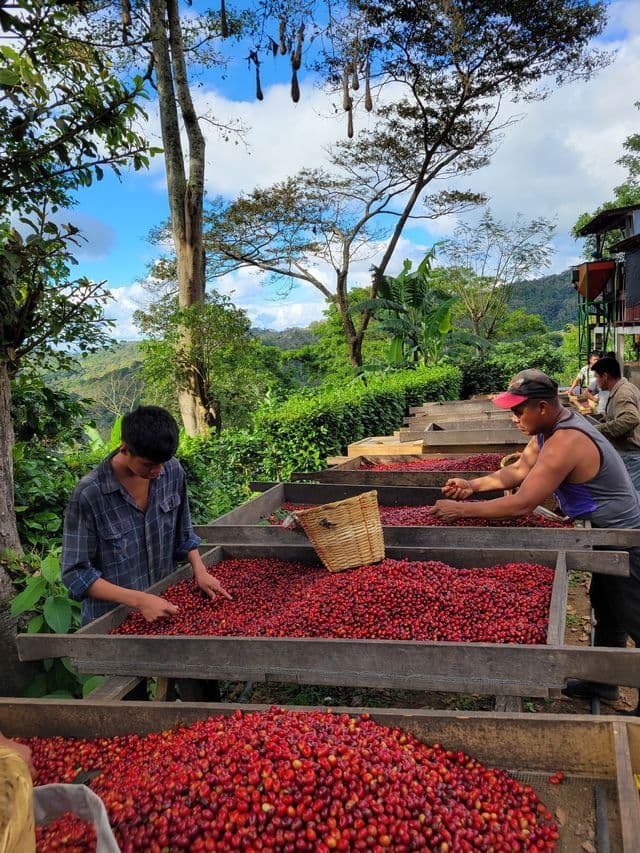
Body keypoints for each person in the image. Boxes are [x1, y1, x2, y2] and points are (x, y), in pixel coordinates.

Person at [432, 368, 640, 709]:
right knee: (607, 606)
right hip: (603, 533)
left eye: (518, 411)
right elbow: (516, 471)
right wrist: (472, 486)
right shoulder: (549, 431)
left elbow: (523, 502)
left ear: (542, 408)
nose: (514, 418)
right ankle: (603, 685)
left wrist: (461, 510)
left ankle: (610, 686)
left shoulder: (566, 441)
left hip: (625, 539)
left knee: (633, 615)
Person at [62, 406, 230, 626]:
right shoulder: (90, 494)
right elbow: (76, 574)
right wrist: (139, 600)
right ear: (124, 448)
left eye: (162, 462)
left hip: (165, 611)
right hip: (111, 623)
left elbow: (184, 533)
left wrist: (200, 570)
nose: (157, 471)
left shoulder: (172, 471)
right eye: (149, 465)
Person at [591, 355, 640, 490]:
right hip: (632, 455)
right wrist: (607, 418)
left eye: (596, 377)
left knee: (632, 497)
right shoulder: (626, 387)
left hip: (632, 456)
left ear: (605, 376)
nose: (596, 381)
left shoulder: (622, 393)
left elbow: (631, 418)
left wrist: (600, 428)